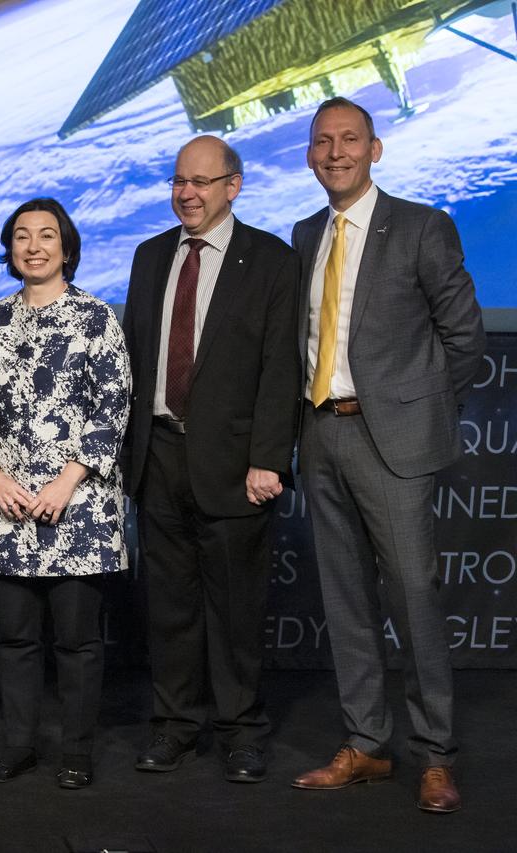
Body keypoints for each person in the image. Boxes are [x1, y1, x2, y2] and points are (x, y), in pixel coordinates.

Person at [289, 97, 484, 813]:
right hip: (321, 432)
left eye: (349, 139)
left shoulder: (423, 227)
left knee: (414, 599)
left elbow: (464, 338)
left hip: (392, 439)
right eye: (322, 141)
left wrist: (417, 412)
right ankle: (367, 745)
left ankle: (435, 755)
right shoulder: (305, 231)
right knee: (346, 603)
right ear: (310, 156)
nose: (335, 151)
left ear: (376, 149)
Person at [121, 135, 300, 783]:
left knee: (234, 609)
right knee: (168, 606)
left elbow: (282, 367)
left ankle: (241, 731)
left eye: (200, 181)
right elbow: (136, 361)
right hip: (160, 456)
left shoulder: (272, 260)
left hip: (235, 465)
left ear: (234, 185)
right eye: (178, 181)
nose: (186, 193)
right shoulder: (148, 257)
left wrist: (268, 459)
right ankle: (173, 726)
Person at [0, 198, 130, 789]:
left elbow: (113, 407)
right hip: (4, 509)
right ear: (10, 250)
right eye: (22, 236)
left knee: (78, 642)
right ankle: (19, 746)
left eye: (46, 235)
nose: (33, 246)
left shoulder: (97, 319)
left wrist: (67, 479)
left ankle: (76, 753)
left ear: (66, 247)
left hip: (76, 509)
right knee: (16, 639)